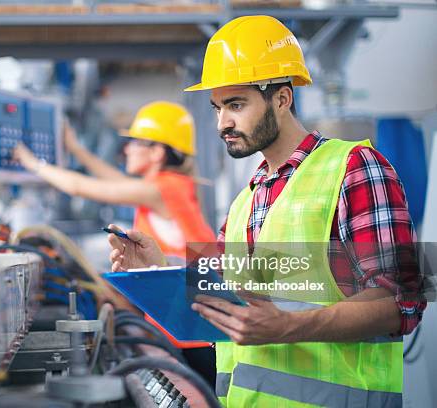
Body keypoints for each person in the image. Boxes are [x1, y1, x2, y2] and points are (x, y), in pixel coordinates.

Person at [107, 15, 425, 407]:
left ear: (281, 98)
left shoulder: (355, 168)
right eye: (217, 107)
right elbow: (223, 294)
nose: (223, 122)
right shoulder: (248, 198)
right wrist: (158, 267)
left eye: (236, 104)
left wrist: (288, 327)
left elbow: (401, 301)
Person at [14, 101, 217, 384]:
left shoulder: (163, 189)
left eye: (134, 141)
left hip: (193, 329)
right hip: (191, 323)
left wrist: (31, 162)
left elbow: (80, 188)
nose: (126, 149)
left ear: (157, 151)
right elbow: (114, 180)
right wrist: (76, 150)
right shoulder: (168, 186)